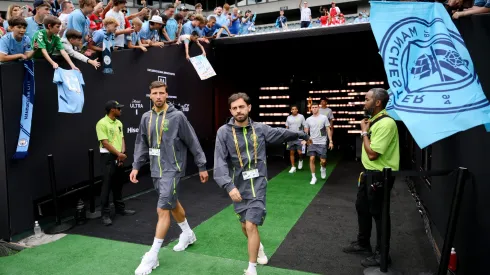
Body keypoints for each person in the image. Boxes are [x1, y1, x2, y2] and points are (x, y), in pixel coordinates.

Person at [213, 93, 311, 275]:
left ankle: (251, 269)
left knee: (251, 224)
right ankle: (258, 248)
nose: (238, 111)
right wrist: (229, 186)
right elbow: (219, 162)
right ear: (230, 111)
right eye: (234, 108)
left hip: (258, 183)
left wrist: (301, 134)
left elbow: (281, 133)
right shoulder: (223, 132)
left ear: (249, 108)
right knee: (245, 226)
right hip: (238, 186)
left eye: (241, 107)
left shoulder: (260, 129)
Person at [131, 81, 209, 275]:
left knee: (162, 208)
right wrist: (136, 165)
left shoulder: (177, 116)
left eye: (161, 93)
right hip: (155, 169)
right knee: (171, 203)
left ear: (167, 95)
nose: (158, 96)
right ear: (150, 95)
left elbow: (192, 140)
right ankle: (188, 234)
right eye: (154, 93)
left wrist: (201, 165)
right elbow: (141, 142)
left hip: (172, 169)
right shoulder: (146, 117)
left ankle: (152, 256)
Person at [342, 88, 399, 268]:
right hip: (368, 174)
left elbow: (373, 153)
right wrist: (366, 129)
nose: (363, 102)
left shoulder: (386, 123)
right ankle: (363, 243)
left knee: (379, 215)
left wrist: (364, 132)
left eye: (366, 100)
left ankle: (382, 255)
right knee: (362, 208)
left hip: (380, 175)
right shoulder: (374, 120)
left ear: (377, 103)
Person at [96, 100, 136, 226]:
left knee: (118, 185)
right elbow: (105, 143)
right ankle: (105, 215)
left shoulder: (119, 122)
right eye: (118, 108)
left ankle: (120, 209)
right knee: (106, 187)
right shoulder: (101, 123)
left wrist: (121, 154)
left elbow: (122, 138)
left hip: (119, 157)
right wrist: (118, 154)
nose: (120, 110)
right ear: (112, 110)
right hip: (107, 157)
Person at [304, 102, 333, 185]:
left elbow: (328, 129)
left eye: (316, 107)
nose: (314, 108)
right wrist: (305, 139)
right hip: (312, 142)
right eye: (313, 107)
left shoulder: (324, 118)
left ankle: (323, 168)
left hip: (322, 142)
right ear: (311, 109)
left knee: (323, 161)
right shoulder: (308, 119)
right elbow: (306, 131)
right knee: (311, 159)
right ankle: (313, 177)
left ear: (318, 108)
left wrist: (330, 141)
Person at [285, 105, 306, 173]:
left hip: (299, 136)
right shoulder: (288, 117)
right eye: (292, 109)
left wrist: (305, 137)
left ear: (297, 110)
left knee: (300, 152)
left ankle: (300, 160)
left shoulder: (301, 116)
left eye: (295, 109)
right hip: (291, 137)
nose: (294, 110)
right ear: (291, 110)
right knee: (291, 152)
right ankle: (293, 167)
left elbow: (305, 126)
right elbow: (287, 127)